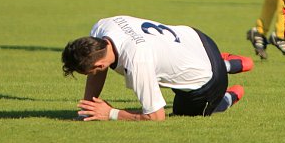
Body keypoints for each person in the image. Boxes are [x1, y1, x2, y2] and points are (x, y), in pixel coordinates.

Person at [62, 15, 254, 121]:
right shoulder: (102, 27)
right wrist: (88, 107)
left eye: (88, 72)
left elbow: (155, 116)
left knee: (184, 115)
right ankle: (227, 63)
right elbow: (99, 68)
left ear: (99, 65)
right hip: (195, 38)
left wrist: (110, 113)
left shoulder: (137, 61)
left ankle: (227, 96)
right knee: (176, 63)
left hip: (209, 80)